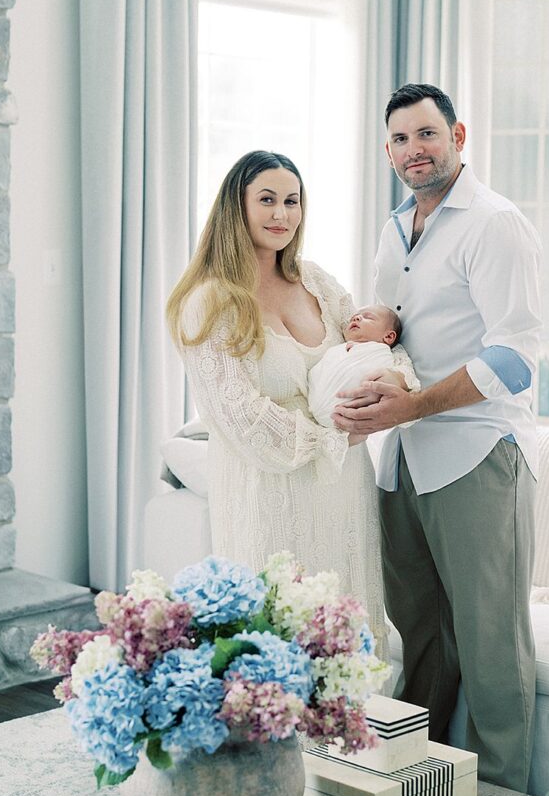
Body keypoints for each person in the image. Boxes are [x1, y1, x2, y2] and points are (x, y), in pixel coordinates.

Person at [333, 84, 542, 791]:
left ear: (457, 136)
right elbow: (396, 339)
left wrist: (413, 406)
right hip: (403, 461)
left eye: (426, 135)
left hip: (478, 455)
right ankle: (414, 792)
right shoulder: (395, 229)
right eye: (399, 139)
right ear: (386, 149)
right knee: (418, 638)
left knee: (491, 648)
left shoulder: (493, 223)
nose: (413, 150)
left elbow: (515, 358)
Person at [166, 150, 412, 655]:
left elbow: (377, 345)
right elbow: (239, 418)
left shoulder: (316, 281)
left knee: (349, 634)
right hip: (267, 492)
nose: (282, 214)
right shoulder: (209, 301)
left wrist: (393, 388)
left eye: (292, 201)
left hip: (344, 488)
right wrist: (337, 434)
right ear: (237, 206)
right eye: (267, 200)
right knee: (280, 638)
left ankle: (352, 734)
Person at [307, 305, 419, 428]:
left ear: (388, 337)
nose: (356, 318)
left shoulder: (384, 352)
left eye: (368, 317)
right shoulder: (338, 349)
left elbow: (407, 379)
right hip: (316, 407)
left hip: (347, 413)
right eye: (353, 318)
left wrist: (398, 379)